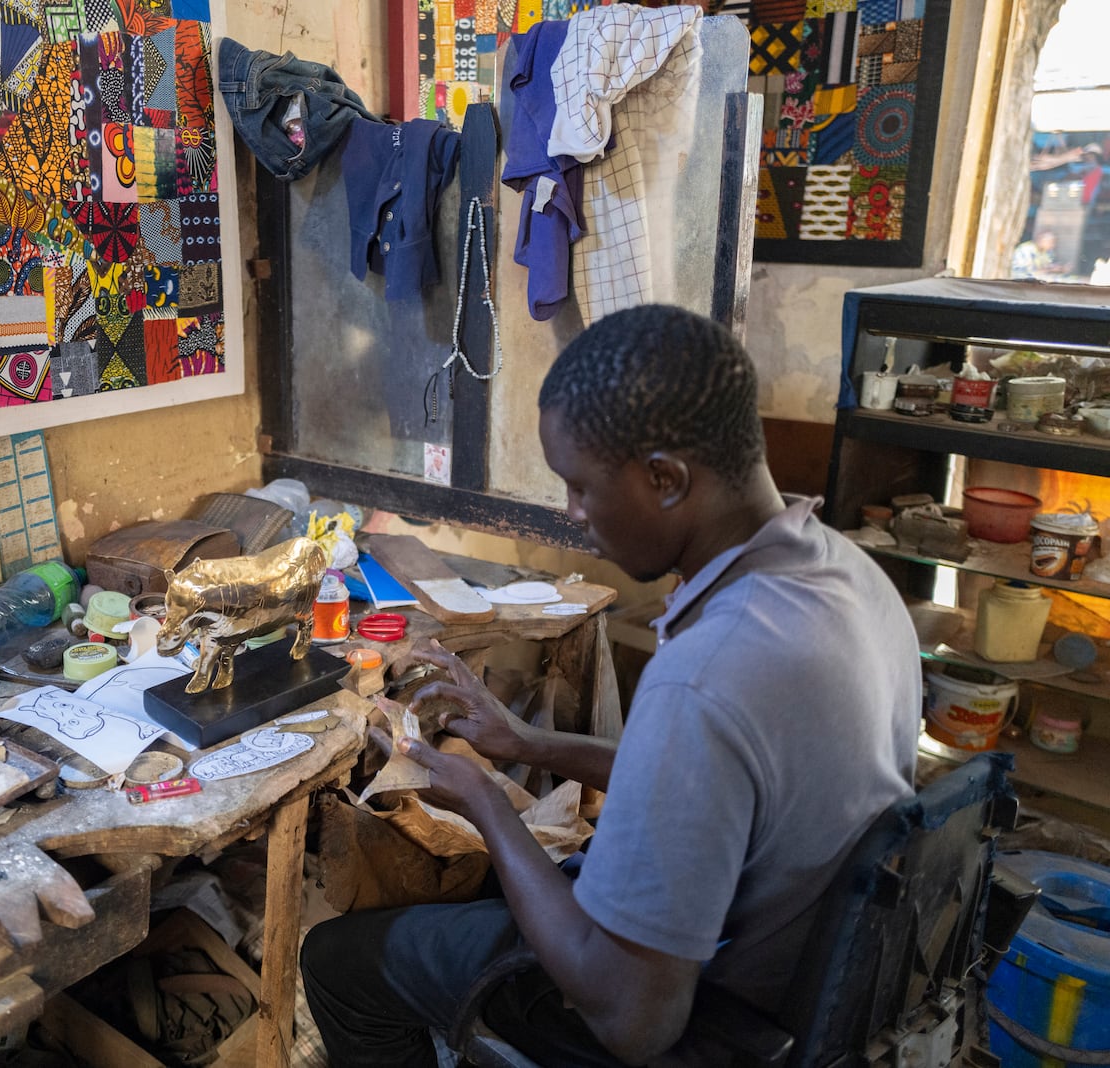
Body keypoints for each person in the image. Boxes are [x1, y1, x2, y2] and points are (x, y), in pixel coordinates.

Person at [301, 304, 921, 1066]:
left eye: (581, 488)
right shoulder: (848, 573)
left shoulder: (707, 675)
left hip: (710, 1016)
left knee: (337, 961)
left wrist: (491, 805)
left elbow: (631, 1023)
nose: (574, 514)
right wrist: (530, 744)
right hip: (815, 981)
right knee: (482, 892)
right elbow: (718, 790)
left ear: (666, 479)